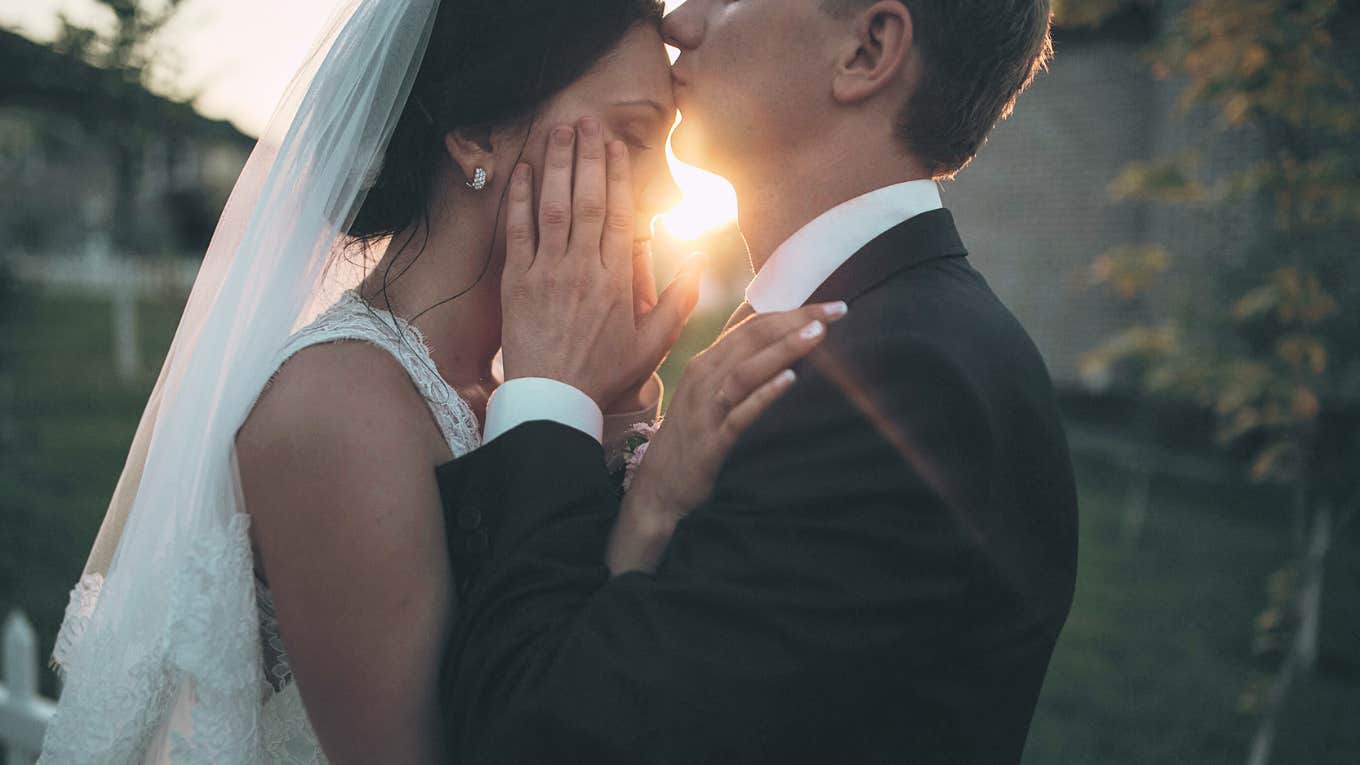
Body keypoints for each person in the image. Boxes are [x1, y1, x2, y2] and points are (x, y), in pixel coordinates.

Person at [39, 1, 826, 762]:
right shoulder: (340, 411)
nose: (670, 195)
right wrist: (650, 499)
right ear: (477, 135)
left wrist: (611, 409)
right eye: (632, 136)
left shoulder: (502, 391)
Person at [434, 1, 1080, 763]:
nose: (678, 21)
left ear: (867, 50)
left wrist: (548, 400)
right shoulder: (859, 332)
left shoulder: (901, 386)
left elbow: (542, 737)